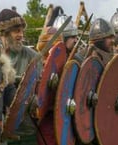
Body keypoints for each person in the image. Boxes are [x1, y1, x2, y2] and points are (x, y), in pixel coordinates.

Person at [0, 8, 41, 145]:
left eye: (22, 31)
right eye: (17, 31)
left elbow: (39, 87)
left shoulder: (33, 56)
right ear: (4, 33)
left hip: (28, 128)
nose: (21, 35)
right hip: (1, 131)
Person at [36, 14, 79, 145]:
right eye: (72, 37)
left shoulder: (75, 61)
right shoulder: (43, 64)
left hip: (67, 118)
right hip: (48, 119)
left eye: (76, 36)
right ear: (63, 39)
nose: (76, 39)